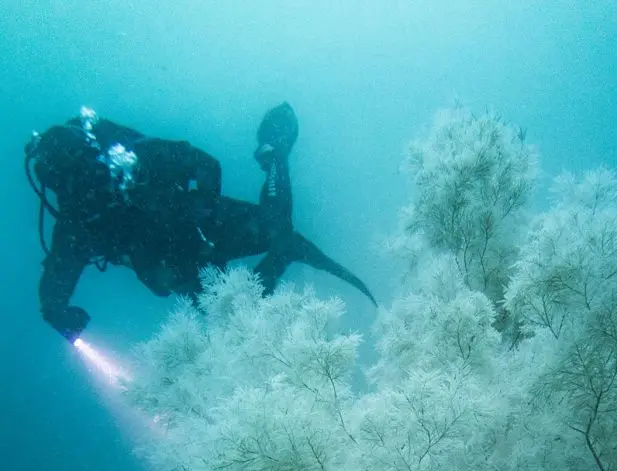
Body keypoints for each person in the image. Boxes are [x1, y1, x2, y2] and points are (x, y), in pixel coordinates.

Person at [25, 103, 376, 342]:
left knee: (277, 226)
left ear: (92, 153)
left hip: (200, 222)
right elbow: (59, 268)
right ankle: (283, 256)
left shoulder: (136, 155)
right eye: (74, 181)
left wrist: (204, 216)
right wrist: (54, 309)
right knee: (235, 323)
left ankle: (273, 156)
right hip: (174, 267)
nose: (90, 183)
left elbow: (204, 163)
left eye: (90, 169)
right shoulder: (77, 218)